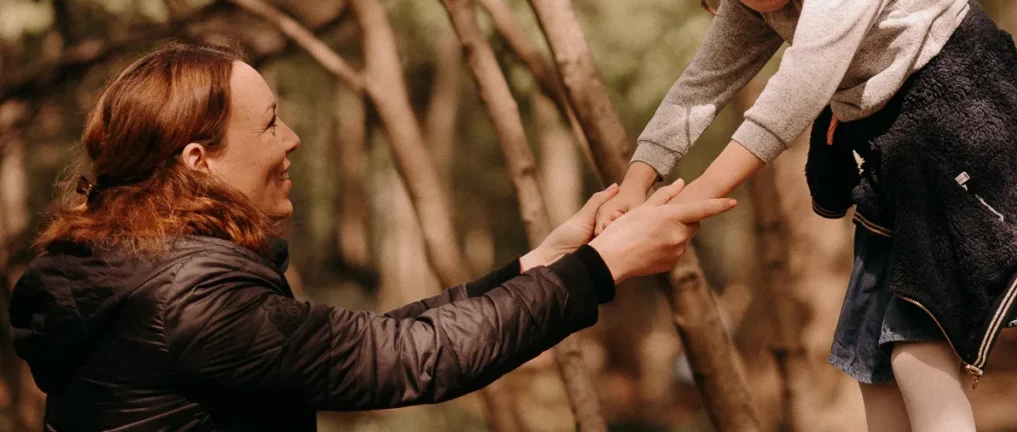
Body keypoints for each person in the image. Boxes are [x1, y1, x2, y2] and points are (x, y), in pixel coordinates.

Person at [9, 42, 735, 431]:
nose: (290, 139)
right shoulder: (188, 301)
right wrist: (601, 270)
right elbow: (407, 361)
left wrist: (546, 260)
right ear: (199, 162)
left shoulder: (139, 273)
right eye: (267, 125)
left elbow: (371, 339)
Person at [593, 0, 1017, 431]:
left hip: (961, 124)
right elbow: (703, 82)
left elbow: (798, 87)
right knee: (871, 357)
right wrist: (637, 181)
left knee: (914, 344)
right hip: (892, 152)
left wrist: (692, 203)